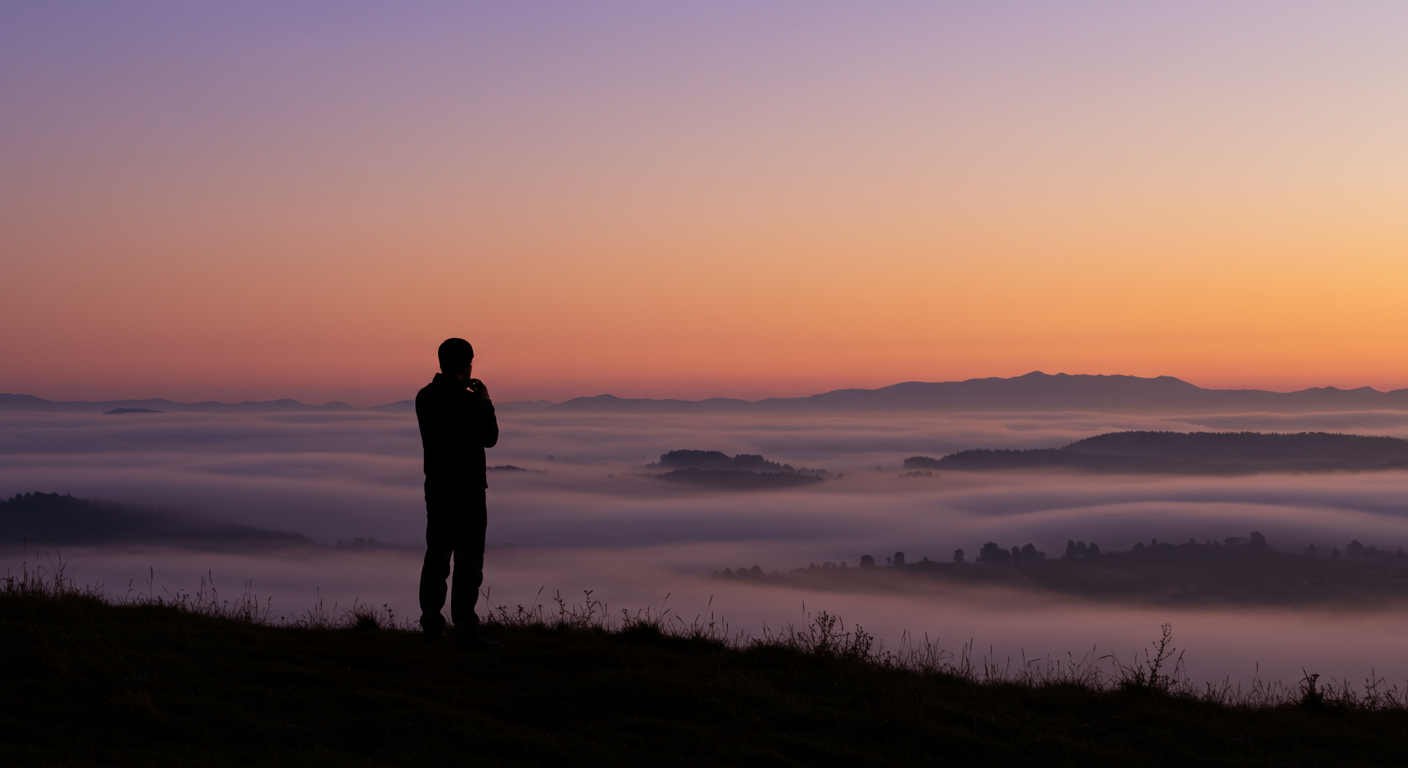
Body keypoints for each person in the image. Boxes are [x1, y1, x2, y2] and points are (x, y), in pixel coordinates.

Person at [415, 337, 499, 646]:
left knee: (436, 559)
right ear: (468, 364)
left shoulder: (424, 397)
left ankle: (431, 629)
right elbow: (490, 437)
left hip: (437, 489)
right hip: (468, 493)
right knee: (467, 564)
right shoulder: (468, 399)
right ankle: (465, 630)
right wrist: (484, 399)